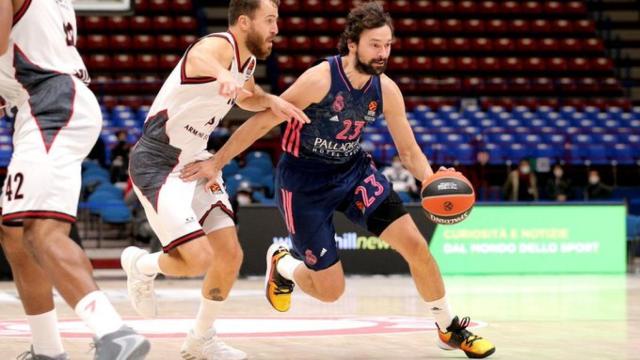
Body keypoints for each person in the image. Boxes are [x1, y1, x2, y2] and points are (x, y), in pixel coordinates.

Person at [180, 2, 495, 358]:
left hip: (353, 172)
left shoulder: (386, 89)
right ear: (352, 44)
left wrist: (429, 179)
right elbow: (265, 120)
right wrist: (217, 162)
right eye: (375, 44)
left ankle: (448, 327)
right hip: (303, 183)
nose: (383, 53)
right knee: (331, 291)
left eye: (388, 45)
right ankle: (282, 261)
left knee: (417, 247)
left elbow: (408, 150)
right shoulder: (320, 79)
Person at [120, 1, 309, 359]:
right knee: (196, 259)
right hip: (158, 162)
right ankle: (140, 265)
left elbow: (248, 98)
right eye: (269, 20)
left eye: (277, 21)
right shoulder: (219, 45)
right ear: (243, 21)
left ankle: (199, 340)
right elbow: (199, 57)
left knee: (230, 255)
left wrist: (272, 102)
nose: (276, 29)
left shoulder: (247, 61)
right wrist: (221, 75)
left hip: (197, 160)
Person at [0, 0, 150, 359]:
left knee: (41, 232)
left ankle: (114, 332)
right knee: (15, 232)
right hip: (45, 101)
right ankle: (48, 350)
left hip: (49, 102)